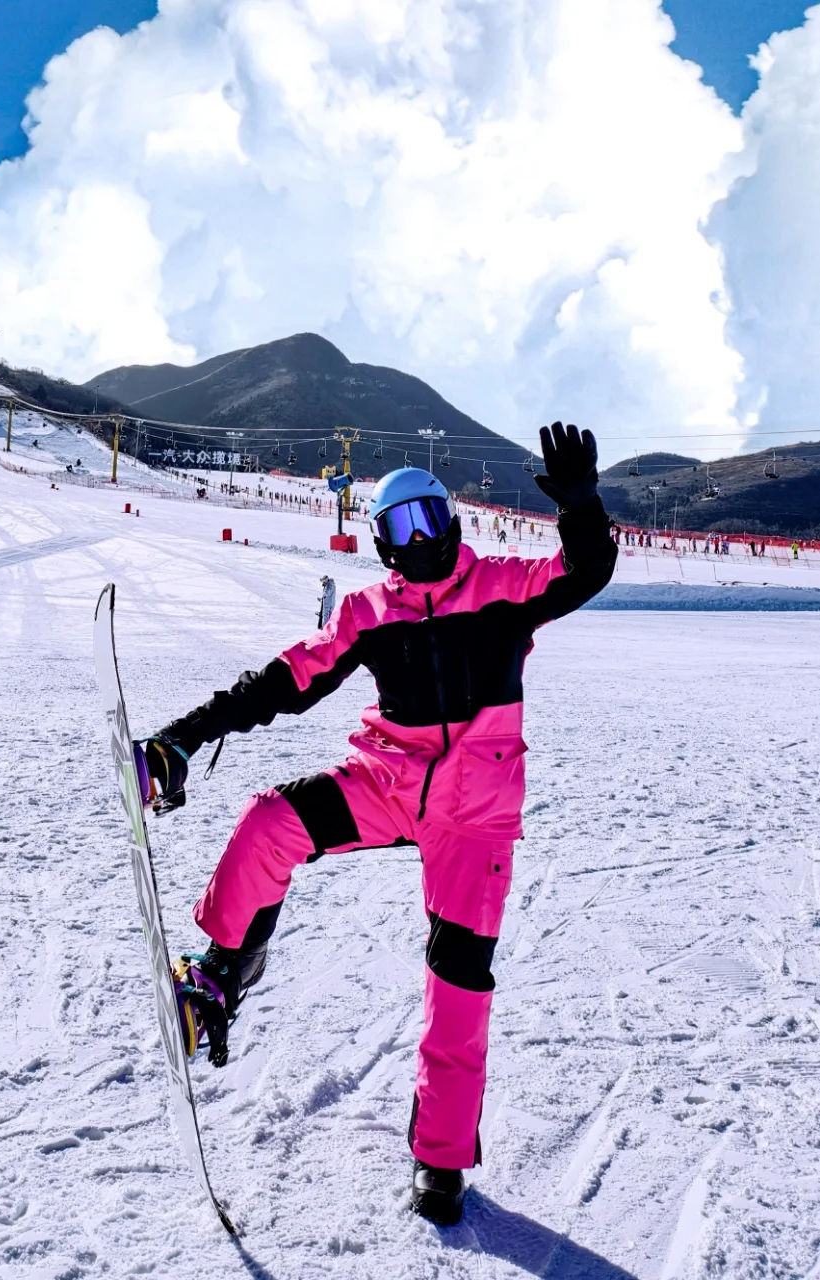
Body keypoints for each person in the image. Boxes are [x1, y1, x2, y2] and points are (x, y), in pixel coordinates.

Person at [133, 423, 617, 1226]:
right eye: (402, 529)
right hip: (387, 784)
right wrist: (184, 735)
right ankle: (224, 969)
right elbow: (282, 682)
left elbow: (584, 569)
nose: (421, 539)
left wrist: (581, 505)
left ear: (452, 527)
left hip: (474, 817)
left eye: (431, 519)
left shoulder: (501, 588)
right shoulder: (368, 611)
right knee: (271, 821)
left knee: (458, 985)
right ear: (383, 545)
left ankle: (441, 1158)